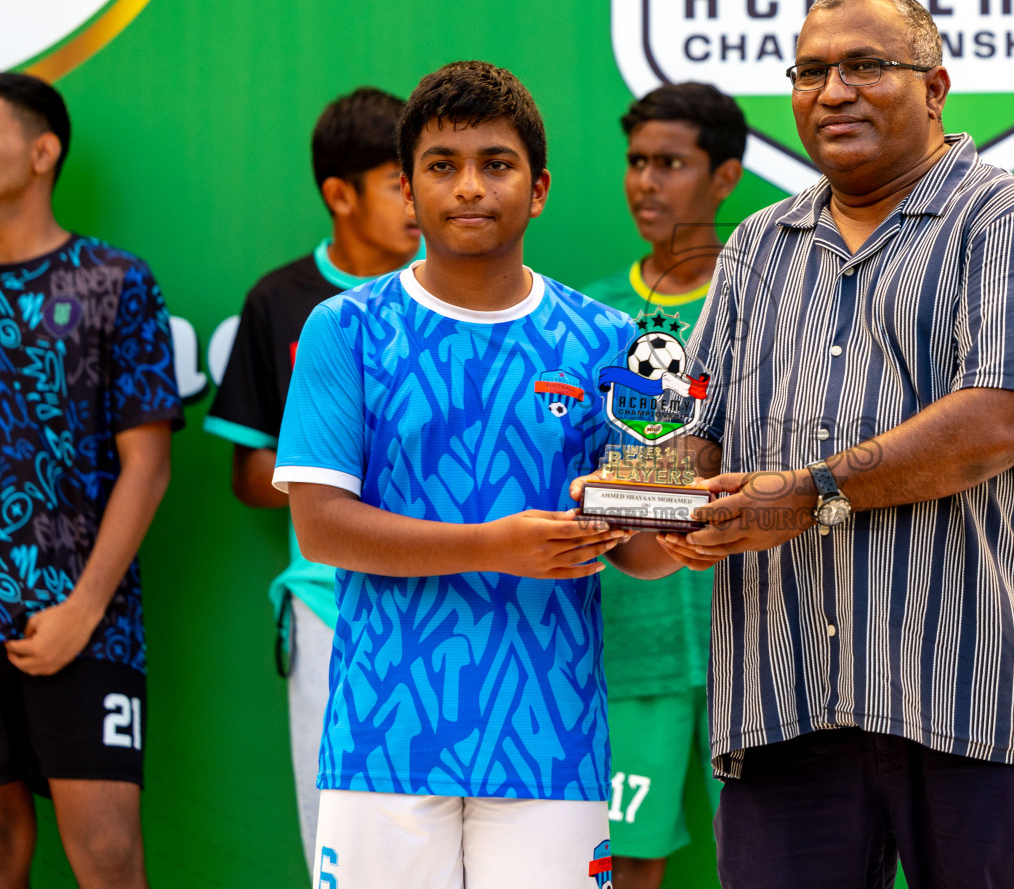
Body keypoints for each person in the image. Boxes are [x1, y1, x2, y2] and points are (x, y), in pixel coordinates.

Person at [655, 0, 1014, 887]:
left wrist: (810, 491)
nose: (834, 91)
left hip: (975, 705)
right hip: (785, 714)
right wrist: (641, 489)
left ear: (935, 88)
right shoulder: (755, 246)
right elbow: (693, 431)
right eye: (812, 70)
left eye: (866, 66)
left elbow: (998, 421)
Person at [272, 60, 677, 888]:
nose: (469, 188)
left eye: (496, 164)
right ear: (409, 191)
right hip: (384, 731)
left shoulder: (614, 342)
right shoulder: (342, 329)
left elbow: (645, 550)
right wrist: (496, 544)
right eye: (441, 166)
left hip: (551, 735)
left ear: (538, 189)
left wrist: (681, 520)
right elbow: (322, 526)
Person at [0, 72, 183, 889]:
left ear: (43, 150)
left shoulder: (116, 282)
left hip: (87, 622)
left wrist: (82, 610)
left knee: (109, 856)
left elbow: (148, 465)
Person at [201, 86, 420, 874]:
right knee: (337, 838)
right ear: (339, 195)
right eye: (398, 181)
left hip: (449, 595)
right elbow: (250, 472)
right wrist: (340, 474)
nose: (419, 197)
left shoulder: (461, 288)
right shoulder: (283, 300)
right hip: (327, 605)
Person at [580, 82, 745, 889]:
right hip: (629, 643)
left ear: (724, 176)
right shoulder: (594, 317)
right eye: (637, 162)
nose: (647, 182)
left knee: (769, 856)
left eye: (671, 163)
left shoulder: (768, 303)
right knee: (627, 863)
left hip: (751, 637)